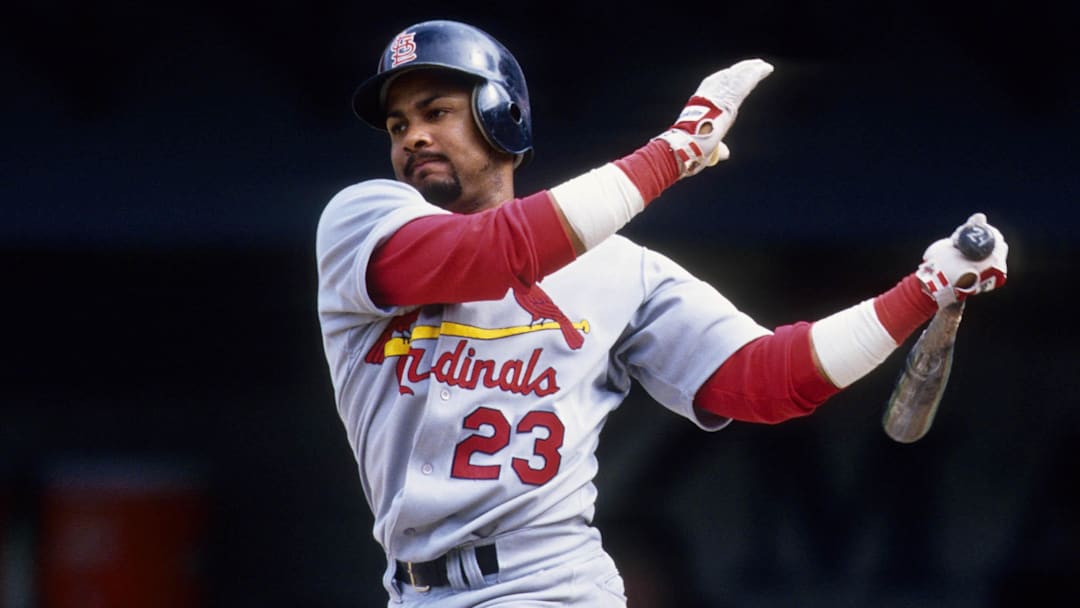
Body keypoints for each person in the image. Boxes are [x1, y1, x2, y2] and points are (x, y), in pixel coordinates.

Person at [314, 19, 1008, 607]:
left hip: (553, 583)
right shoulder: (362, 222)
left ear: (502, 115)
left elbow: (769, 380)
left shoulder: (621, 272)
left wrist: (923, 289)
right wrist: (672, 154)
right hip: (412, 591)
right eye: (399, 124)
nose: (411, 137)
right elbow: (496, 253)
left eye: (436, 112)